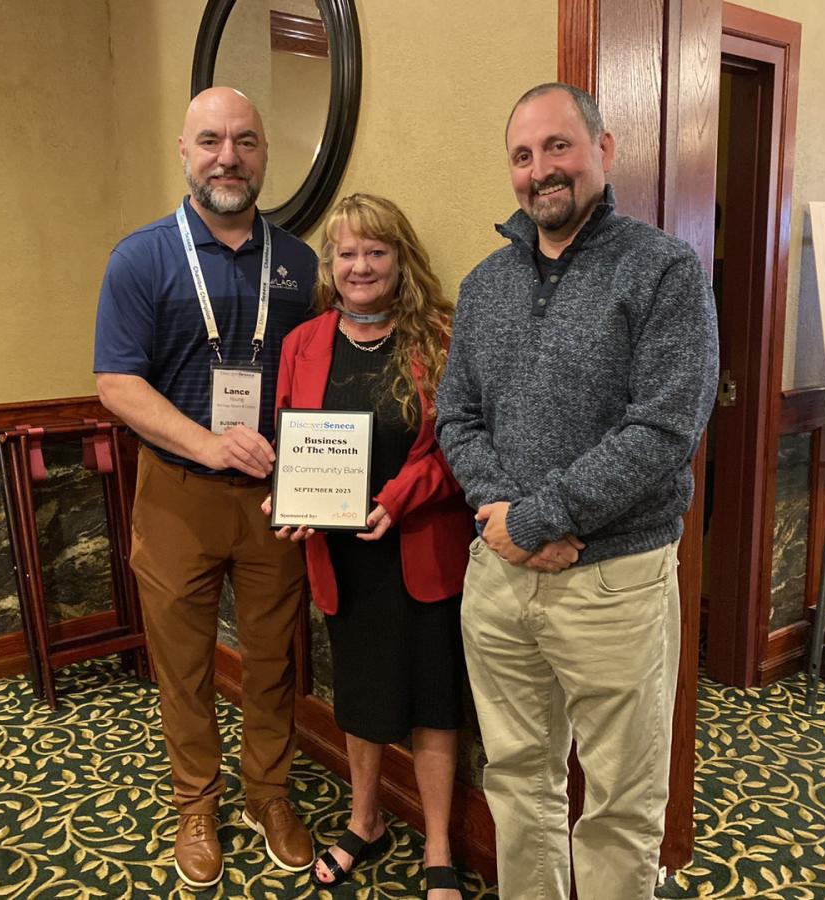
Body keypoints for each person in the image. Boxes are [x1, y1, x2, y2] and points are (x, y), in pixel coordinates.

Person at [435, 83, 719, 899]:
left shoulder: (663, 269)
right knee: (518, 786)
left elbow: (664, 430)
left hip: (614, 584)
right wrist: (505, 520)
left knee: (622, 807)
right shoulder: (486, 282)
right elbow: (457, 416)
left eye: (558, 146)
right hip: (497, 578)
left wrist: (540, 517)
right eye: (523, 156)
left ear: (604, 149)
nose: (540, 171)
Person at [93, 87, 318, 890]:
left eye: (247, 142)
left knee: (272, 659)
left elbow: (313, 378)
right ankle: (197, 803)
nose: (230, 157)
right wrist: (210, 445)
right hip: (178, 492)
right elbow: (117, 383)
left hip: (271, 500)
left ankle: (271, 796)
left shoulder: (299, 262)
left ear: (263, 154)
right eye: (213, 141)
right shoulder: (141, 257)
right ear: (184, 152)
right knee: (182, 663)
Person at [264, 194, 474, 898]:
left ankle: (440, 843)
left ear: (399, 257)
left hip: (419, 549)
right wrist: (286, 497)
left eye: (375, 251)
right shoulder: (304, 343)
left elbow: (460, 449)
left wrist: (396, 499)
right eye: (346, 253)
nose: (360, 266)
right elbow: (294, 441)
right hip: (343, 560)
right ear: (330, 264)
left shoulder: (439, 337)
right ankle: (365, 820)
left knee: (432, 702)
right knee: (358, 698)